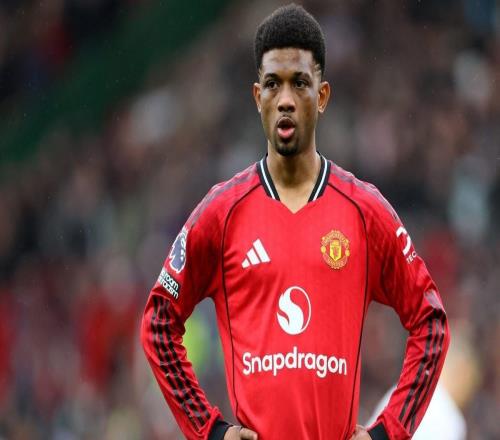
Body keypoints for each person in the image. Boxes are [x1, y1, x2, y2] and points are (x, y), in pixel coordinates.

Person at [141, 4, 450, 439]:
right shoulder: (220, 214)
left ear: (321, 96)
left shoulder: (365, 212)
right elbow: (158, 322)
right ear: (258, 97)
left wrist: (388, 432)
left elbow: (431, 321)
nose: (285, 99)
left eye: (299, 83)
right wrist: (211, 431)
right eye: (273, 84)